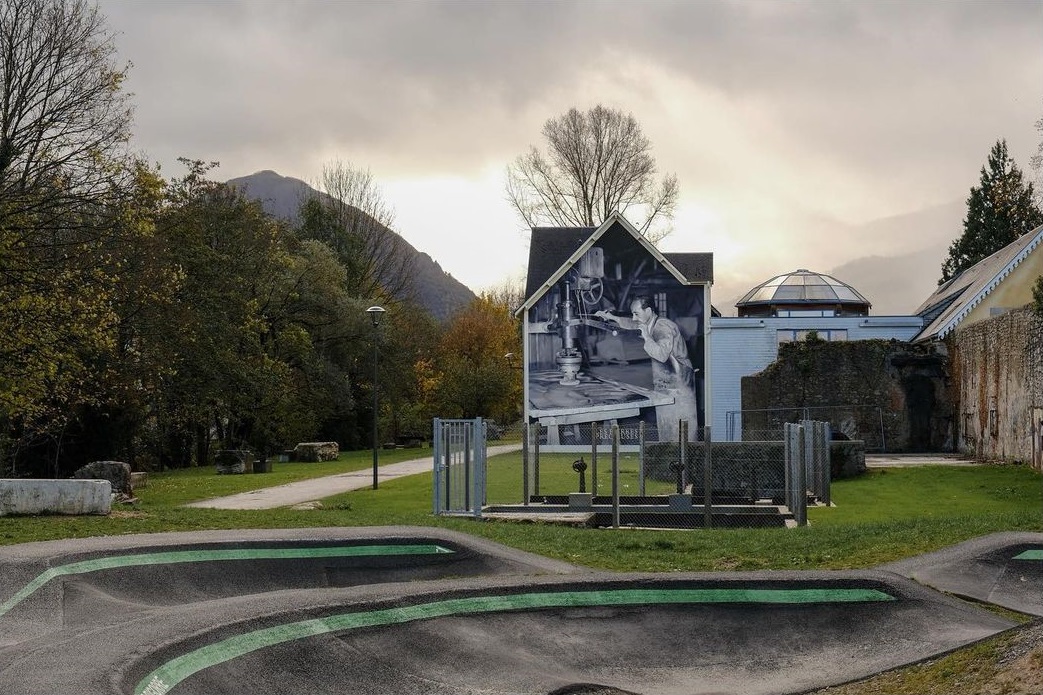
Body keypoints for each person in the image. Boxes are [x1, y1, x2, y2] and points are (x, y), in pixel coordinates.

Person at [595, 296, 699, 441]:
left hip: (680, 382)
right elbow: (632, 323)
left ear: (648, 310)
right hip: (665, 381)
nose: (634, 317)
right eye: (633, 313)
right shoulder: (648, 322)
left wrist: (646, 337)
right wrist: (612, 317)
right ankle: (670, 452)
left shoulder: (663, 327)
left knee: (683, 429)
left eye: (636, 313)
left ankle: (687, 454)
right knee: (667, 427)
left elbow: (661, 355)